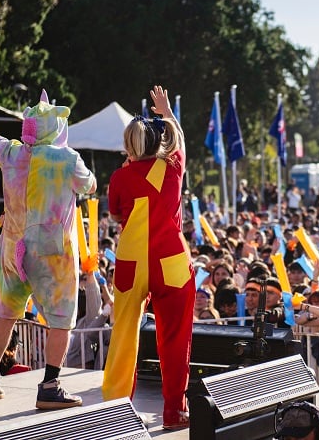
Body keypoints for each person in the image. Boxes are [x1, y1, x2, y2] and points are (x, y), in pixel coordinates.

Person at [0, 85, 96, 410]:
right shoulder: (66, 159)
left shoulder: (12, 152)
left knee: (5, 315)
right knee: (61, 319)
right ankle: (51, 385)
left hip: (11, 248)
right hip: (51, 254)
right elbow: (90, 185)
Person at [101, 86, 195, 431]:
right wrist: (167, 111)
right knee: (174, 338)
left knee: (124, 334)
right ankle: (173, 412)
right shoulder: (171, 168)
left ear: (129, 147)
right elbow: (180, 139)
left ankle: (115, 413)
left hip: (130, 260)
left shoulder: (120, 177)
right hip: (170, 259)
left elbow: (114, 215)